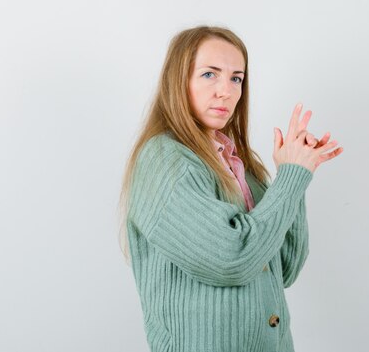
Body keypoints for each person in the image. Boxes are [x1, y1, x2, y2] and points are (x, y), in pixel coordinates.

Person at [117, 25, 343, 352]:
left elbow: (286, 267)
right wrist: (292, 175)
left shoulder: (241, 166)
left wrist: (293, 174)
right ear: (178, 80)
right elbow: (232, 259)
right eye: (210, 74)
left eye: (236, 78)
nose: (226, 90)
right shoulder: (164, 160)